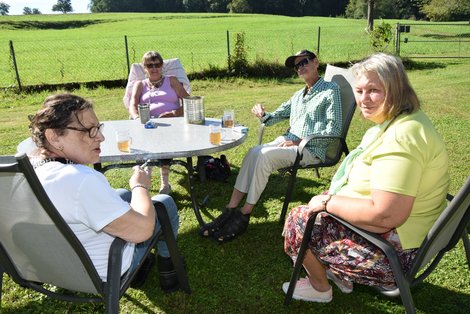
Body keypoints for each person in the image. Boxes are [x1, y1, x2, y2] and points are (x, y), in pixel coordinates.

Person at [282, 53, 450, 303]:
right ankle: (339, 275)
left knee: (298, 220)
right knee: (310, 213)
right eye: (359, 90)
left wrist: (328, 204)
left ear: (397, 89)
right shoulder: (404, 122)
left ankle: (320, 288)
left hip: (393, 255)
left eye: (374, 90)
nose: (363, 99)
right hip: (406, 236)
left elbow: (385, 216)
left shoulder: (401, 138)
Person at [28, 93, 182, 293]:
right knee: (164, 203)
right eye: (89, 130)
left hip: (55, 267)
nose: (100, 137)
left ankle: (144, 267)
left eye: (98, 128)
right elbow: (142, 230)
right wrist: (140, 186)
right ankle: (168, 270)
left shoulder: (26, 170)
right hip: (105, 272)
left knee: (121, 195)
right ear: (54, 137)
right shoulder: (80, 180)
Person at [199, 49, 343, 244]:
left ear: (316, 62)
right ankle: (230, 209)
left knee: (265, 156)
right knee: (253, 152)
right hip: (289, 141)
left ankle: (244, 215)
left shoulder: (330, 90)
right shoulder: (298, 95)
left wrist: (300, 141)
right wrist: (263, 114)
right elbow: (274, 117)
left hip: (310, 148)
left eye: (304, 62)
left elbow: (334, 130)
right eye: (297, 66)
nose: (300, 67)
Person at [128, 51, 190, 195]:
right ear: (144, 67)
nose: (154, 68)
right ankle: (146, 176)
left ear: (162, 66)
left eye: (157, 64)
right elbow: (132, 105)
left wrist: (174, 114)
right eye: (150, 65)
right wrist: (137, 119)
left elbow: (189, 102)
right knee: (145, 140)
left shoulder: (172, 80)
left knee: (164, 140)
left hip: (171, 124)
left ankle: (164, 183)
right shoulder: (140, 84)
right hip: (147, 124)